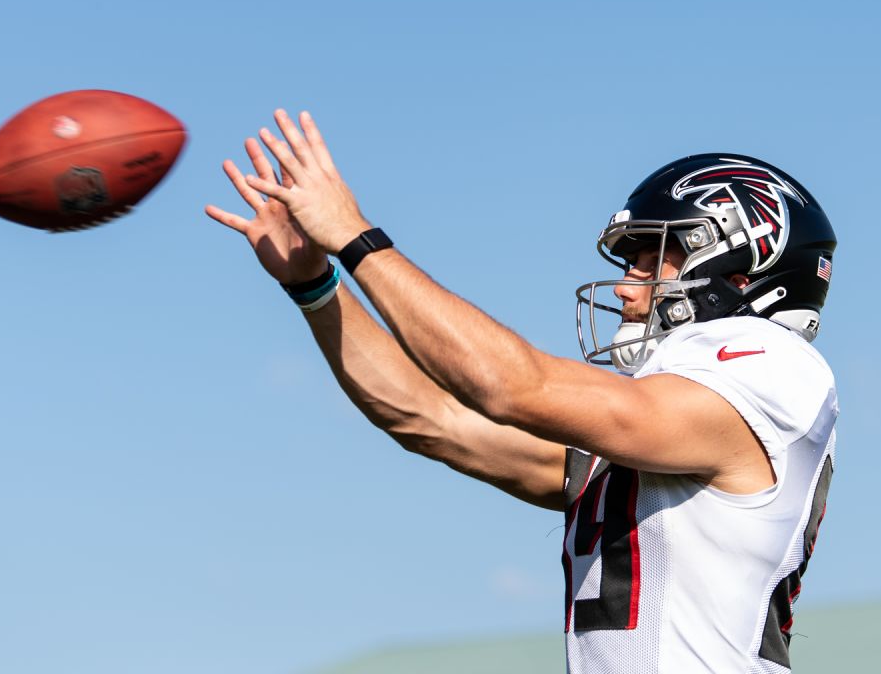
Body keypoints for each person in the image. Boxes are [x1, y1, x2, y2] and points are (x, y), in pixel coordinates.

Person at [206, 110, 838, 674]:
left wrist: (355, 237)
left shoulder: (773, 367)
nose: (625, 285)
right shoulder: (657, 434)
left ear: (739, 266)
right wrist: (316, 286)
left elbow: (510, 387)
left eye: (652, 259)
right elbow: (432, 418)